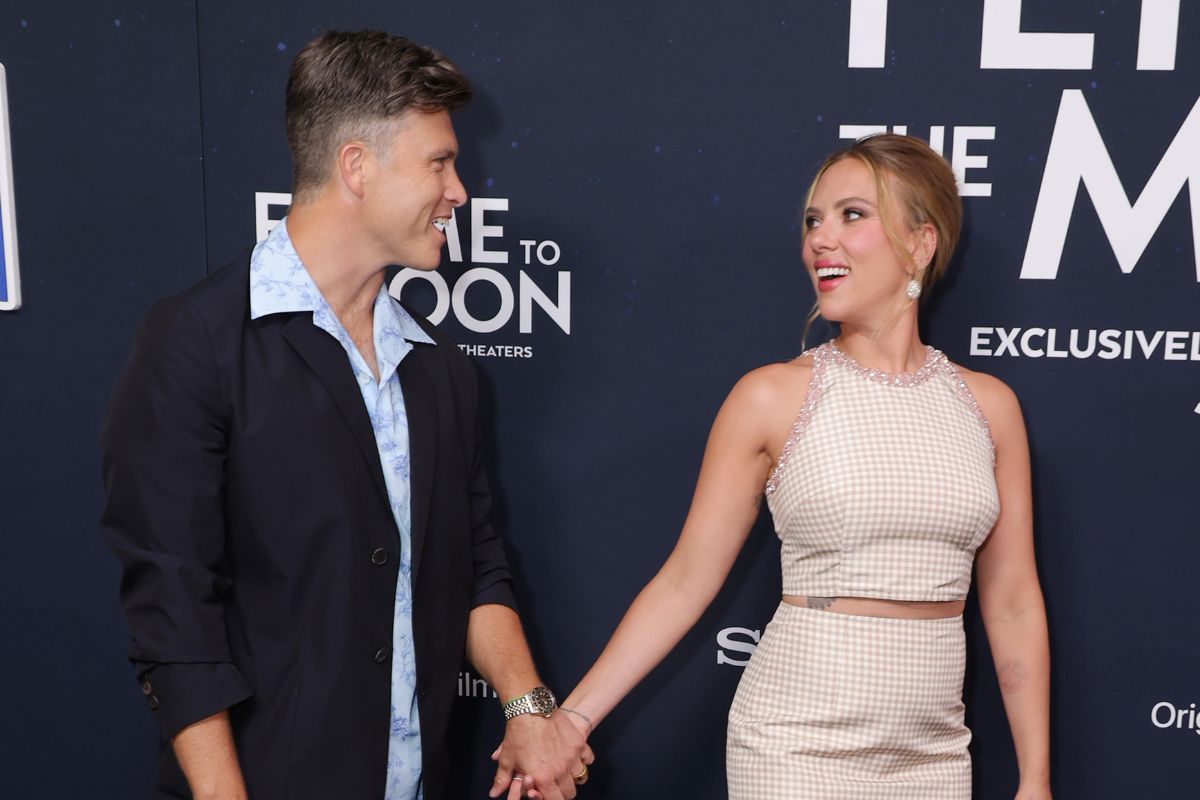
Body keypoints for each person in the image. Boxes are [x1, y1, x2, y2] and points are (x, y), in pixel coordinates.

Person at [100, 30, 591, 800]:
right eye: (439, 162)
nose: (459, 191)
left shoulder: (440, 369)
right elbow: (173, 612)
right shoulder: (197, 342)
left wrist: (527, 710)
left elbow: (475, 561)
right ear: (356, 167)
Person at [555, 134, 1052, 799]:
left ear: (921, 243)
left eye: (852, 215)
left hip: (933, 756)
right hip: (794, 744)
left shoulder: (989, 407)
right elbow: (684, 582)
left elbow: (1013, 602)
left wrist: (1035, 779)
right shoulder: (771, 396)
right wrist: (571, 721)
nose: (821, 239)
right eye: (814, 221)